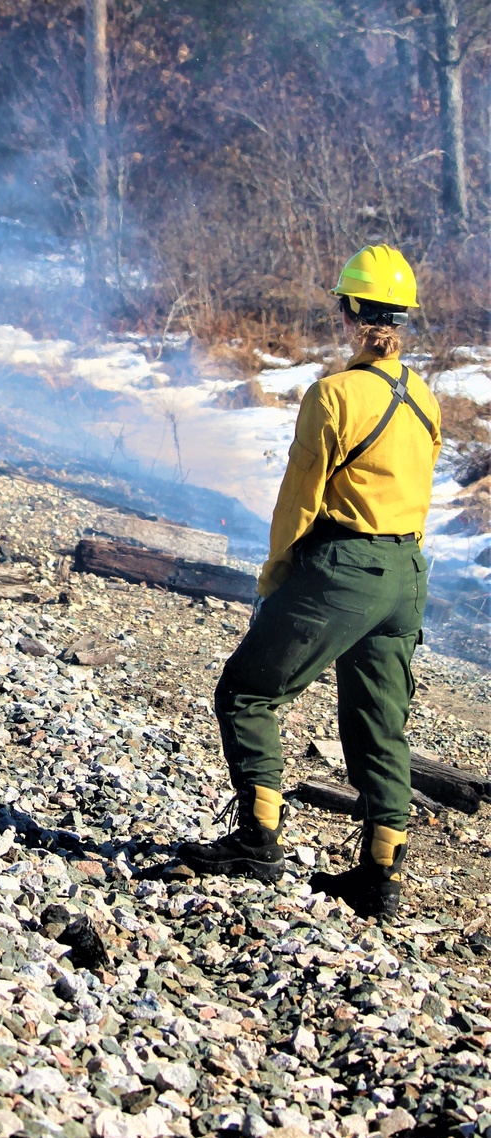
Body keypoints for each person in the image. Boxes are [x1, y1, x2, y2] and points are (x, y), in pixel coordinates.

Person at [177, 244, 441, 920]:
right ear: (401, 318)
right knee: (381, 726)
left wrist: (273, 574)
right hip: (407, 573)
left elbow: (299, 500)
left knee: (247, 691)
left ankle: (258, 840)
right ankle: (379, 877)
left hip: (342, 570)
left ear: (348, 312)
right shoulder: (427, 400)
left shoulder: (334, 395)